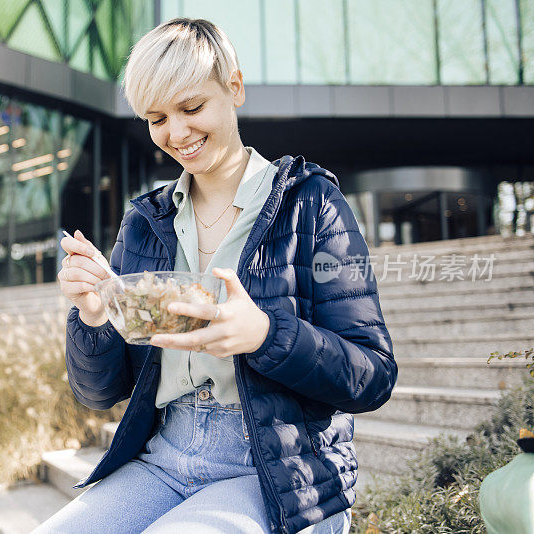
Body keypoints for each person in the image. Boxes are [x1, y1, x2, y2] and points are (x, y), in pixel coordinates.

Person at [37, 18, 397, 534]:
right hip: (166, 455)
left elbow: (373, 374)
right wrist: (95, 315)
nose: (176, 133)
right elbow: (101, 393)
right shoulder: (146, 220)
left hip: (278, 470)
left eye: (191, 108)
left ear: (234, 88)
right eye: (156, 117)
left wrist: (265, 335)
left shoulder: (313, 204)